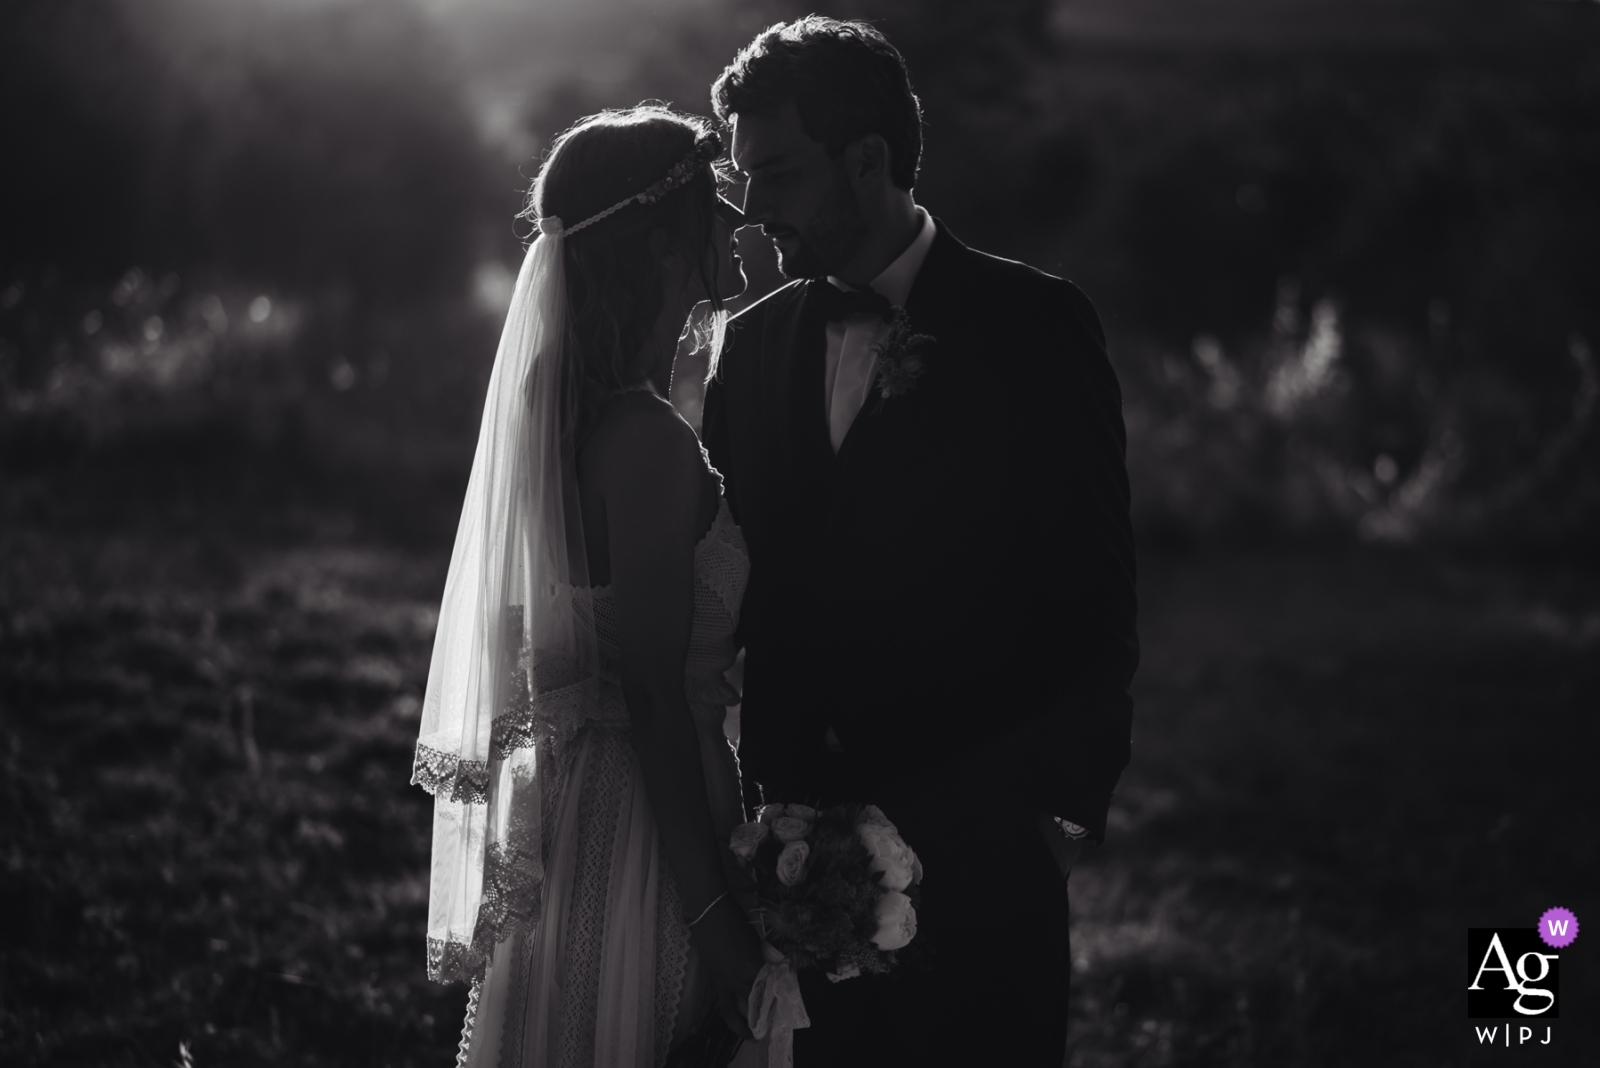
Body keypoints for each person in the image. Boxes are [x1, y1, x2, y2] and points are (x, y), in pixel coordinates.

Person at [702, 18, 1139, 1066]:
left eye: (774, 173)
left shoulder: (1032, 327)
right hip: (796, 874)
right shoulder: (752, 348)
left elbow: (1092, 596)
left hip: (984, 861)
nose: (751, 211)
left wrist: (1046, 824)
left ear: (868, 160)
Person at [410, 105, 768, 1067]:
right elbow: (653, 696)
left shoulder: (573, 419)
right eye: (715, 204)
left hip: (584, 813)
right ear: (663, 244)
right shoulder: (647, 442)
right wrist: (714, 920)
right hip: (648, 841)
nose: (736, 218)